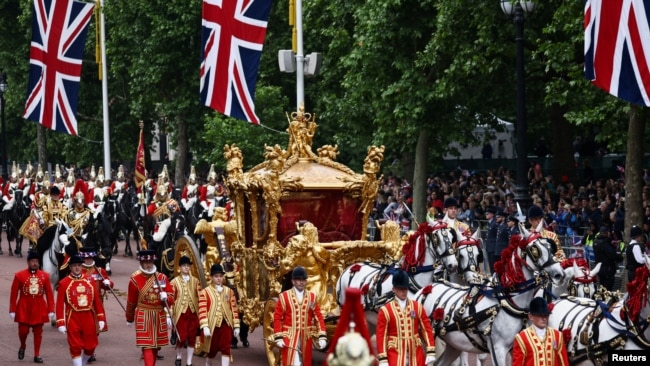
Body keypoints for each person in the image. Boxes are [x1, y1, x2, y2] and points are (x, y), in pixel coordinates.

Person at [125, 249, 176, 366]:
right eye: (146, 262)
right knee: (147, 345)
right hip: (143, 313)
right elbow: (131, 301)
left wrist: (166, 297)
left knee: (156, 346)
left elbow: (172, 297)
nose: (149, 264)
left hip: (159, 314)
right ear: (141, 263)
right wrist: (129, 317)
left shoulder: (162, 278)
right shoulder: (134, 279)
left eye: (151, 262)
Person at [376, 270, 436, 366]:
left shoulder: (417, 306)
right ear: (394, 289)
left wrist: (430, 350)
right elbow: (381, 335)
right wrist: (383, 358)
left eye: (405, 289)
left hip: (415, 353)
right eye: (400, 289)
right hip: (395, 352)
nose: (403, 292)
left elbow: (426, 329)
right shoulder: (385, 310)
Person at [56, 255, 107, 366]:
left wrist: (101, 317)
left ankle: (82, 363)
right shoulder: (63, 283)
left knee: (91, 346)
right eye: (74, 266)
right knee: (75, 346)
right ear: (70, 267)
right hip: (72, 317)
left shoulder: (90, 280)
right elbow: (59, 304)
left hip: (88, 316)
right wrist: (60, 322)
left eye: (79, 265)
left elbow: (96, 301)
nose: (77, 268)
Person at [273, 266, 327, 366]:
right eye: (299, 280)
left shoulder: (312, 297)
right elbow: (277, 318)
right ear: (293, 281)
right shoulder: (284, 296)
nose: (301, 282)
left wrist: (322, 336)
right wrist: (278, 337)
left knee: (305, 363)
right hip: (289, 337)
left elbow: (318, 317)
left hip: (306, 338)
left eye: (303, 280)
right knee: (294, 363)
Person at [9, 250, 55, 363]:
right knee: (23, 331)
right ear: (28, 262)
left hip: (39, 306)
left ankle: (37, 354)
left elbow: (49, 293)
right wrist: (12, 309)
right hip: (24, 305)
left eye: (37, 261)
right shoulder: (19, 275)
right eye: (33, 261)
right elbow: (13, 294)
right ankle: (23, 345)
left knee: (38, 331)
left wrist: (51, 309)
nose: (35, 263)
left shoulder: (44, 276)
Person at [199, 264, 240, 366]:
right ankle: (208, 363)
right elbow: (202, 309)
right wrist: (205, 326)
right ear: (212, 277)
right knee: (212, 350)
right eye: (216, 276)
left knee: (226, 348)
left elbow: (234, 309)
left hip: (226, 324)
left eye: (220, 276)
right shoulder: (205, 292)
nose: (219, 278)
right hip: (212, 325)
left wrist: (236, 326)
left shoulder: (229, 291)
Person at [513, 297, 569, 366]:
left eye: (546, 315)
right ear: (531, 317)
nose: (544, 318)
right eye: (540, 315)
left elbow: (564, 363)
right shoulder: (521, 338)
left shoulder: (558, 336)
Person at [171, 256, 202, 366]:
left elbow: (200, 296)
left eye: (188, 266)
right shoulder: (174, 282)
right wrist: (169, 315)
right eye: (184, 266)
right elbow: (171, 299)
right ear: (180, 267)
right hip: (181, 313)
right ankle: (179, 356)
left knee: (192, 338)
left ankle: (189, 362)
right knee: (182, 337)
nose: (186, 268)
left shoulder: (195, 281)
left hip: (193, 313)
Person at [593, 226, 621, 291]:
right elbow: (612, 254)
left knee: (602, 287)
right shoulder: (605, 243)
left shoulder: (595, 242)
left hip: (599, 267)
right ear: (606, 233)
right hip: (607, 268)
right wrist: (620, 258)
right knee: (608, 289)